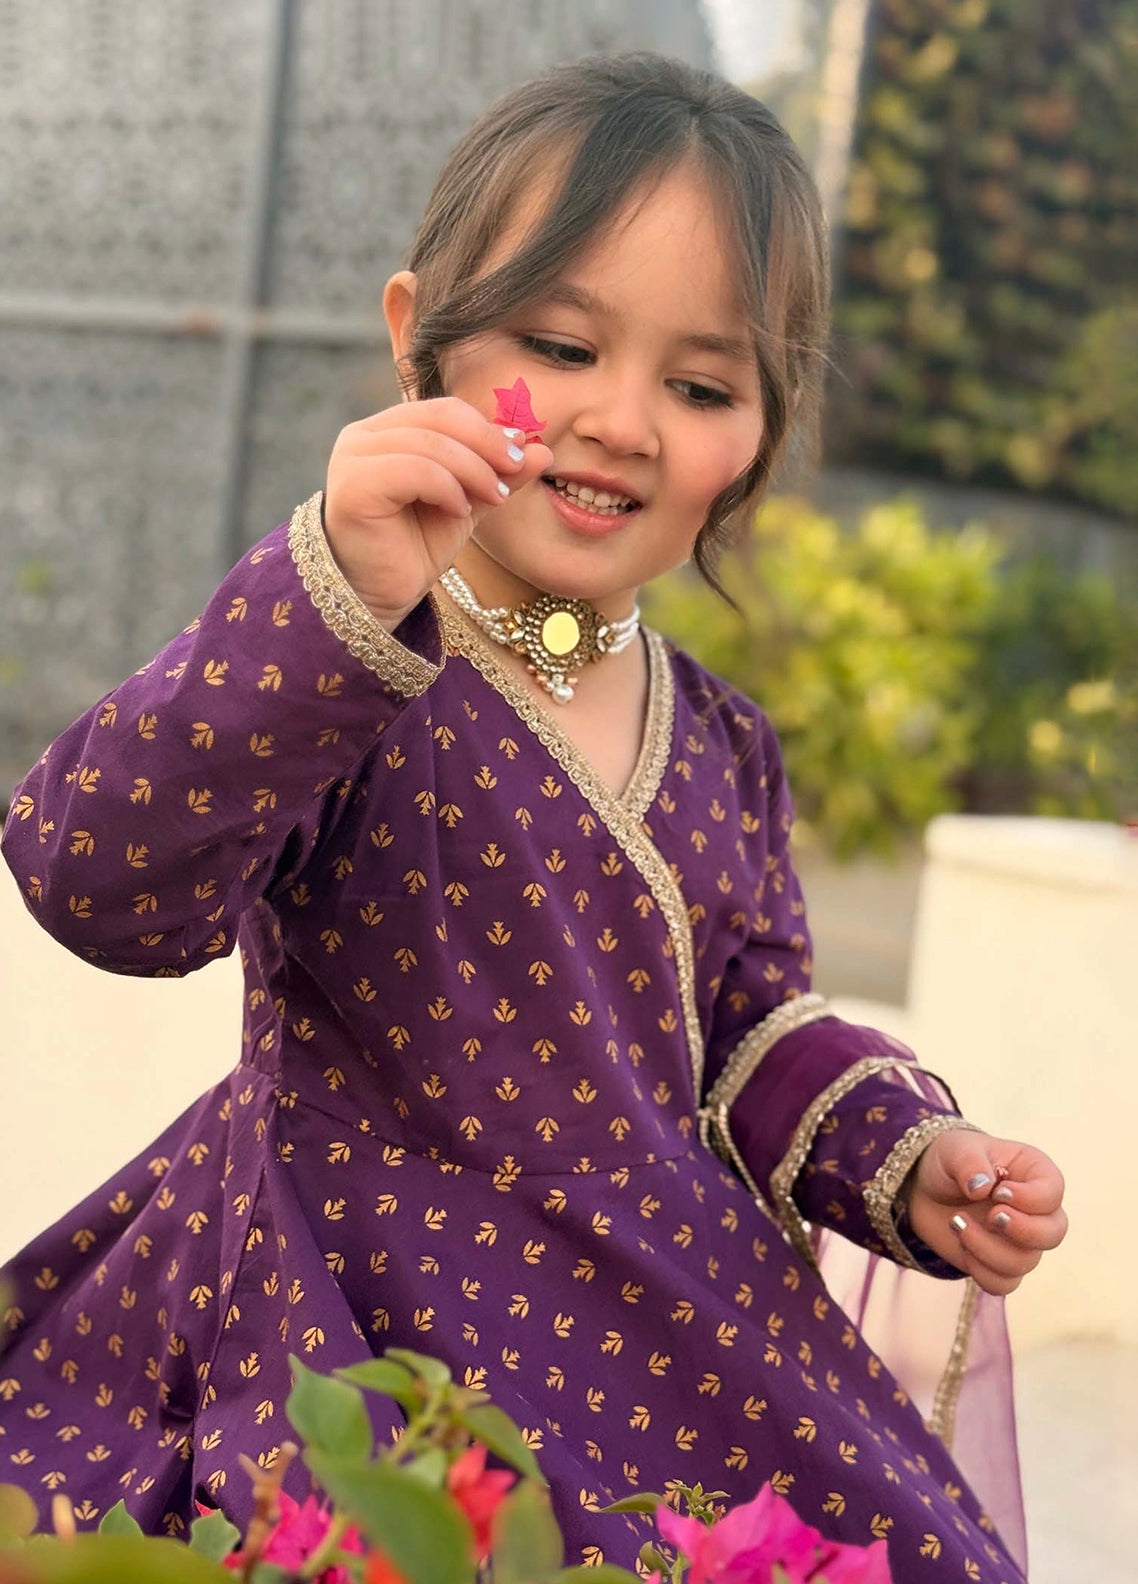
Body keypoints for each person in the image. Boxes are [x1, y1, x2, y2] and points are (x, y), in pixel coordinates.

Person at [0, 53, 1064, 1578]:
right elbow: (95, 878)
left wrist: (912, 1151)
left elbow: (746, 1025)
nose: (620, 421)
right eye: (560, 347)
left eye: (701, 387)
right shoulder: (342, 655)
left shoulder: (724, 742)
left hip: (666, 1319)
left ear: (759, 437)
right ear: (414, 339)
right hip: (351, 1314)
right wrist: (336, 590)